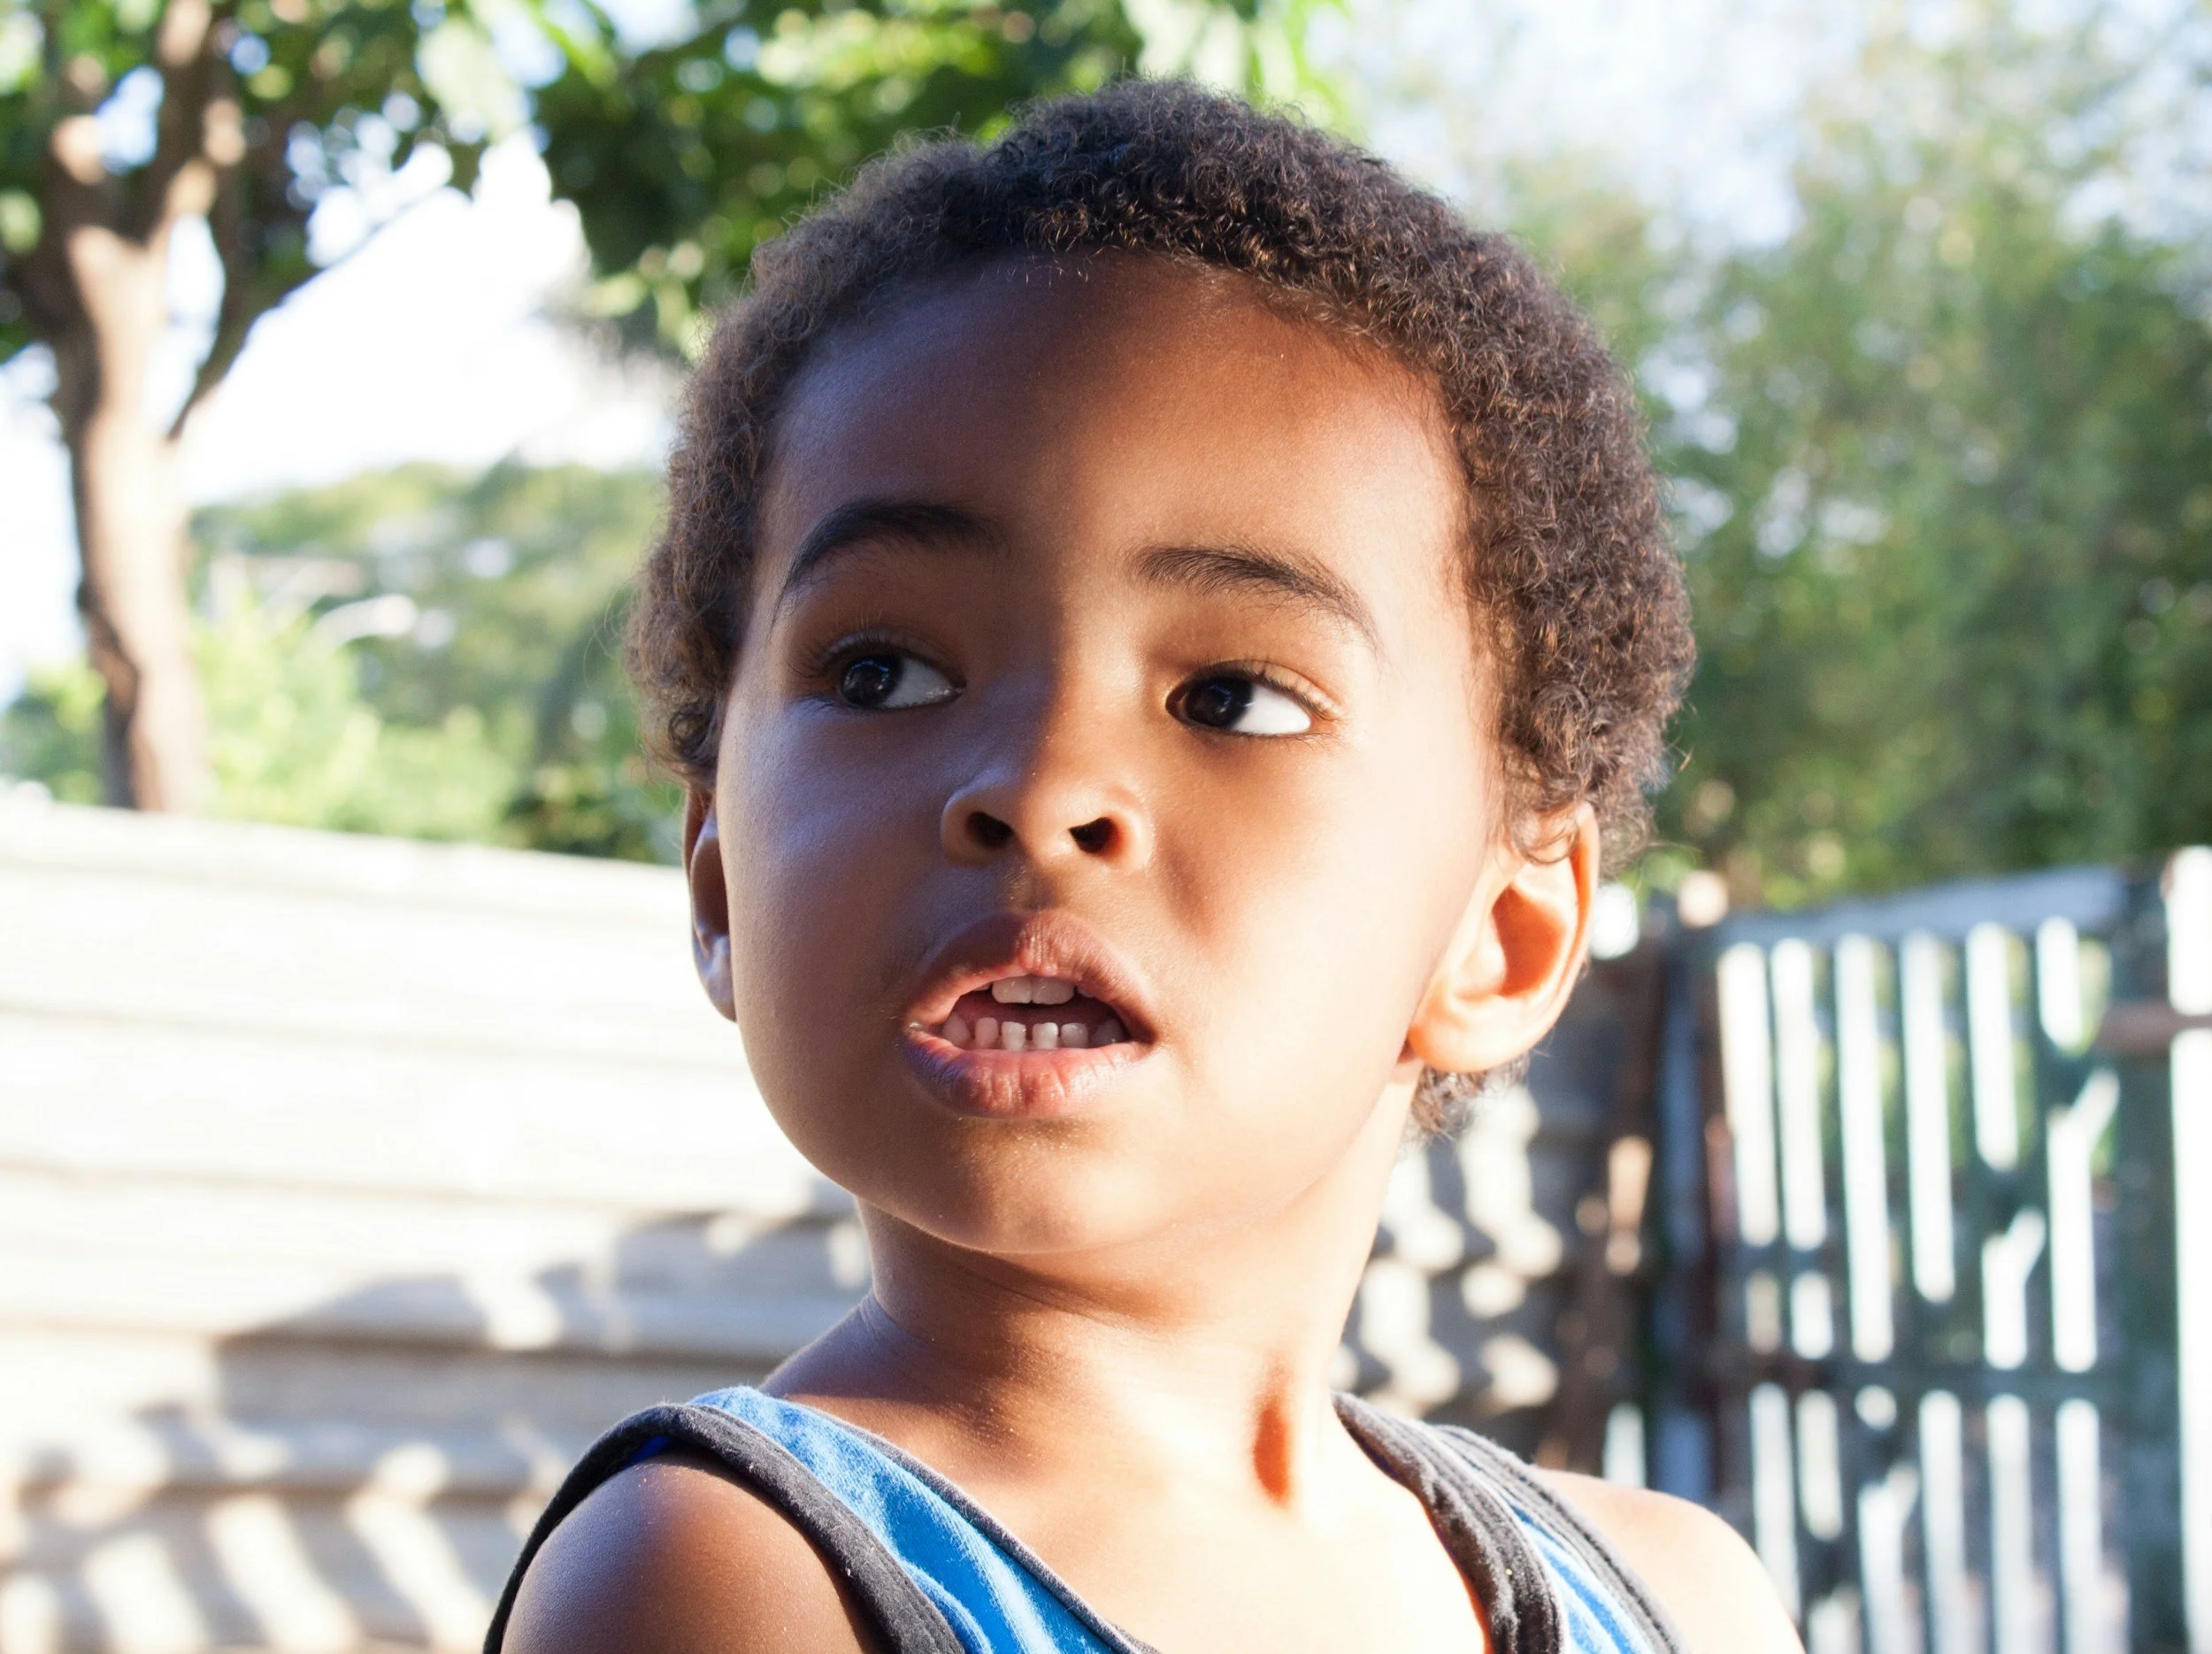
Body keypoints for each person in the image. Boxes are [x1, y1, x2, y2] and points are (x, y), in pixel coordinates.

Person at [492, 80, 1799, 1654]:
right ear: (717, 880)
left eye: (1231, 698)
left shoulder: (1676, 1597)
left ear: (1503, 938)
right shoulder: (735, 1582)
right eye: (887, 672)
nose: (1037, 790)